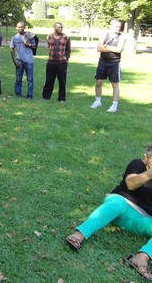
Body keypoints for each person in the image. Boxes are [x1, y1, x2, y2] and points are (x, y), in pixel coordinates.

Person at [65, 144, 152, 281]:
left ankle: (141, 257)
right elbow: (131, 184)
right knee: (117, 203)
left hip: (141, 220)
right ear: (146, 156)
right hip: (121, 205)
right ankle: (79, 234)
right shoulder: (137, 164)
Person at [90, 18, 127, 113]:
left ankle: (114, 105)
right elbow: (99, 48)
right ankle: (97, 101)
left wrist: (106, 47)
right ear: (110, 26)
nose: (118, 28)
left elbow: (118, 50)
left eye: (119, 26)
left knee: (114, 84)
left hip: (114, 63)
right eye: (116, 26)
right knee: (99, 82)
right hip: (102, 61)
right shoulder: (104, 34)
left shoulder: (122, 37)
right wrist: (112, 48)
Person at [42, 22, 71, 103]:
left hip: (61, 63)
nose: (60, 29)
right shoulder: (49, 36)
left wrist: (66, 58)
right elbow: (49, 47)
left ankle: (61, 98)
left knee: (62, 81)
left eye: (61, 27)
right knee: (49, 80)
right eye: (59, 27)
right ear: (54, 27)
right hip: (51, 62)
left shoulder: (66, 37)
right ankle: (46, 97)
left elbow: (68, 49)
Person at [10, 21, 37, 99]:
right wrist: (14, 62)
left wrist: (28, 44)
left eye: (22, 27)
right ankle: (18, 94)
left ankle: (30, 96)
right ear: (16, 28)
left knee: (30, 80)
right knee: (18, 79)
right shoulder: (14, 38)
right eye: (19, 27)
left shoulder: (29, 36)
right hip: (19, 61)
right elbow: (12, 49)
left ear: (24, 27)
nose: (20, 28)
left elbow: (34, 46)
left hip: (29, 61)